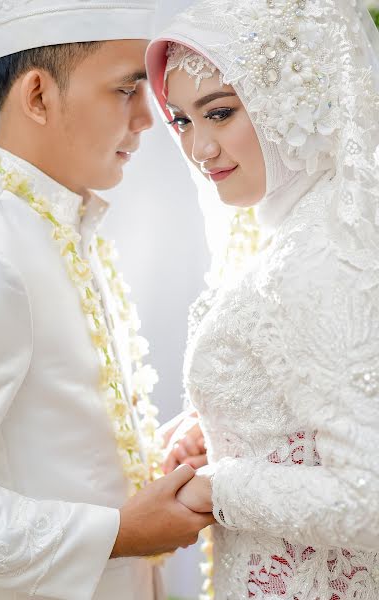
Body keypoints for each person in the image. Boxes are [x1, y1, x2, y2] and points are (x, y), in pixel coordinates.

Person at [0, 1, 215, 599]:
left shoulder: (57, 219)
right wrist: (115, 533)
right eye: (126, 88)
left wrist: (153, 462)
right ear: (37, 95)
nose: (148, 117)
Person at [146, 0, 379, 597]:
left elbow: (368, 496)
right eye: (182, 121)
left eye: (218, 112)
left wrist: (216, 488)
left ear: (290, 100)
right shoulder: (303, 231)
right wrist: (220, 426)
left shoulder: (319, 260)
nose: (200, 149)